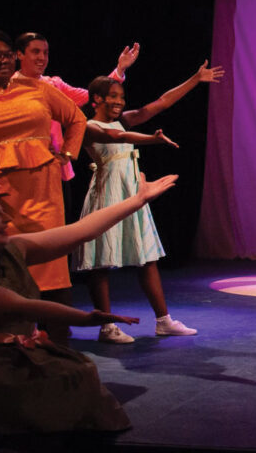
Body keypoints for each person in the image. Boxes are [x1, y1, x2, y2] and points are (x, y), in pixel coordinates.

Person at [0, 172, 177, 434]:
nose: (7, 219)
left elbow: (81, 231)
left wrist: (137, 201)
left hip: (21, 354)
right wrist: (84, 318)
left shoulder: (14, 249)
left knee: (78, 373)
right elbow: (19, 305)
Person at [71, 62, 223, 343]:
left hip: (132, 192)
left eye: (121, 97)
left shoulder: (124, 119)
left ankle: (163, 321)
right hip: (106, 193)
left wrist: (195, 78)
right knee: (100, 263)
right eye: (113, 96)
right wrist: (151, 140)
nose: (119, 101)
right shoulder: (89, 126)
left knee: (147, 257)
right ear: (96, 100)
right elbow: (115, 137)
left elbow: (161, 103)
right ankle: (106, 326)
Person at [0, 28, 86, 343]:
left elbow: (77, 118)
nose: (4, 60)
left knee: (50, 266)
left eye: (7, 54)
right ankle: (12, 347)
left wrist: (67, 154)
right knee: (4, 268)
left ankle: (59, 347)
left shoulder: (36, 89)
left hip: (43, 194)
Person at [13, 32, 139, 214]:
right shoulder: (8, 86)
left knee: (60, 225)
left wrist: (119, 70)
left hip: (56, 168)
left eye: (45, 53)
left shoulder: (53, 84)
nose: (42, 58)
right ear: (19, 54)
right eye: (35, 52)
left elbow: (90, 97)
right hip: (23, 167)